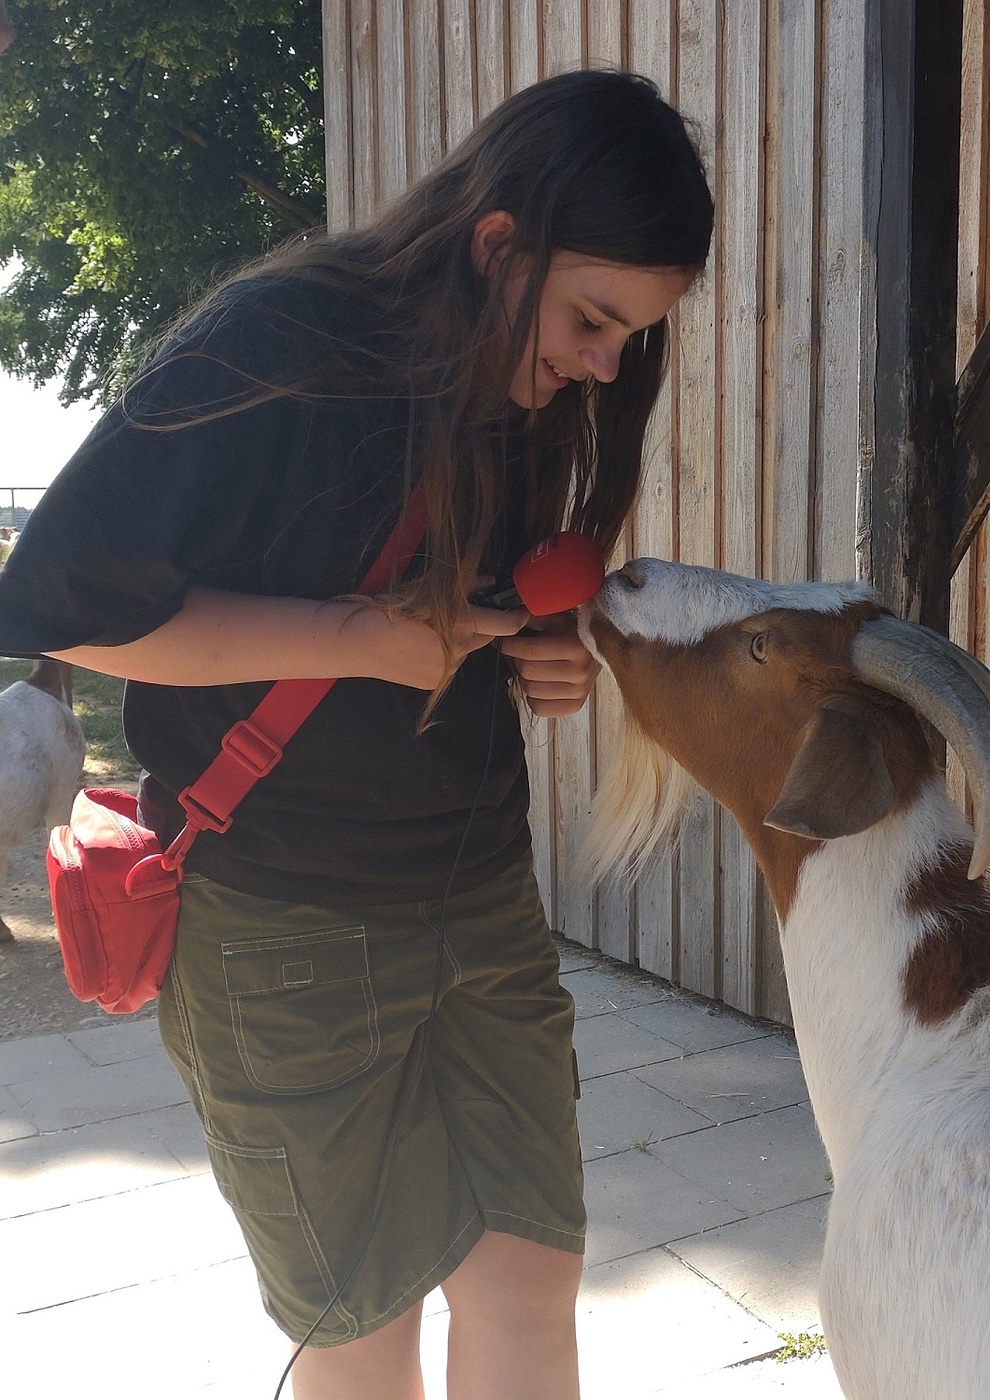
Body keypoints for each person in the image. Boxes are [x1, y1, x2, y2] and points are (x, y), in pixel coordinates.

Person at [0, 69, 713, 1400]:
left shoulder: (516, 389)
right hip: (283, 933)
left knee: (527, 1280)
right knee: (363, 1324)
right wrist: (366, 642)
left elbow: (456, 605)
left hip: (479, 898)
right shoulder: (278, 342)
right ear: (497, 244)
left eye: (632, 337)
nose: (605, 367)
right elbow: (66, 611)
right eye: (592, 320)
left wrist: (531, 654)